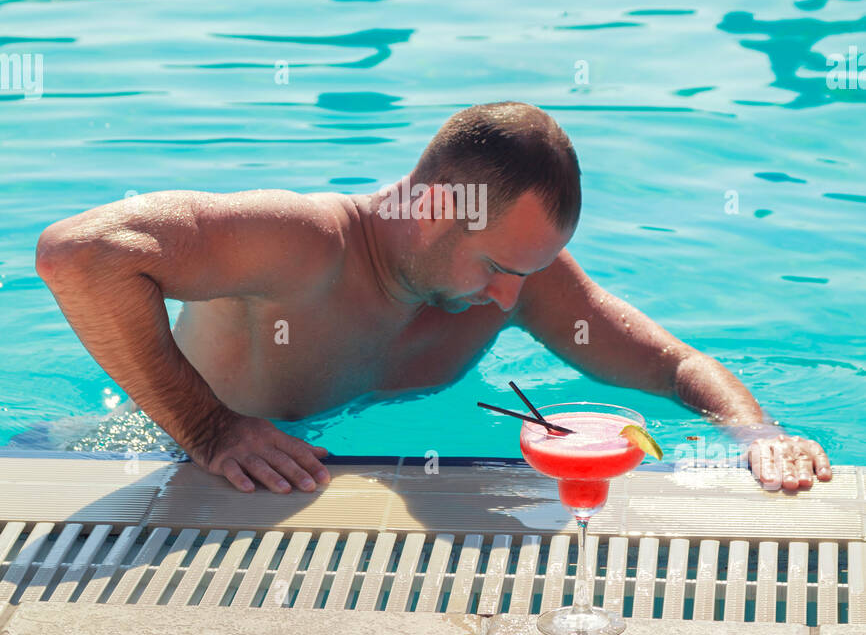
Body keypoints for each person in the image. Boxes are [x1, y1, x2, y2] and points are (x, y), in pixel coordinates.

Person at [36, 101, 832, 496]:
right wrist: (209, 429)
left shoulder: (514, 278)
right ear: (434, 212)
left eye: (531, 266)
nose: (511, 296)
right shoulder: (303, 245)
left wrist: (755, 432)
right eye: (497, 265)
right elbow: (79, 256)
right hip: (148, 448)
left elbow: (670, 364)